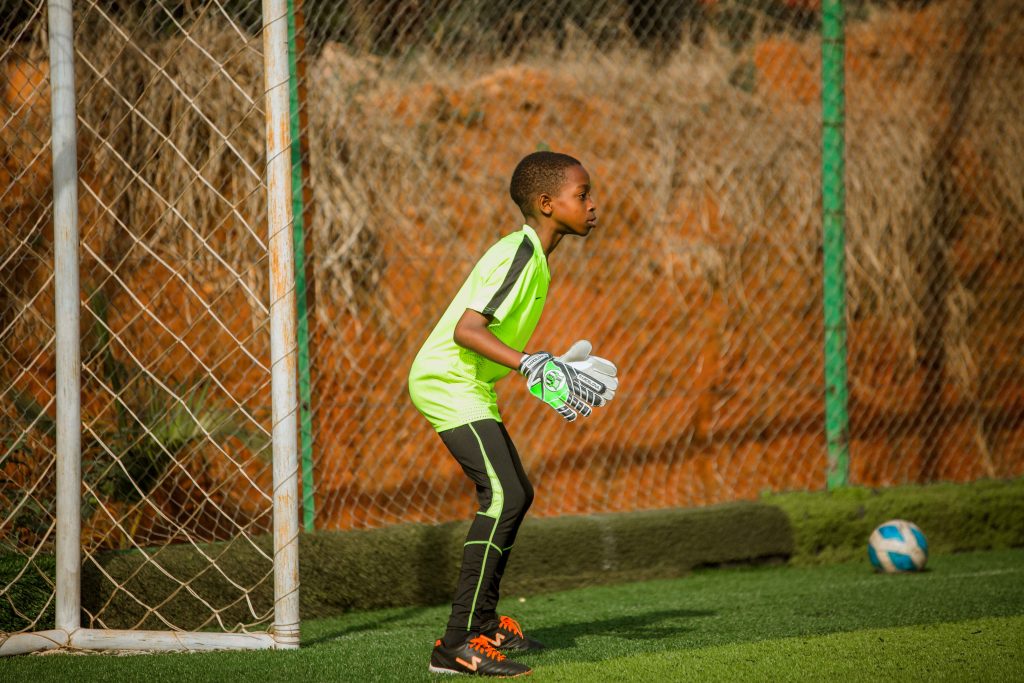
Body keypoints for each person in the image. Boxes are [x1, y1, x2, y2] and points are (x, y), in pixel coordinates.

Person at [408, 151, 619, 677]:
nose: (593, 205)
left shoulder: (536, 258)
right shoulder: (519, 254)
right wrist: (529, 363)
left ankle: (483, 626)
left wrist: (538, 364)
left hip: (469, 382)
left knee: (516, 494)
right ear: (547, 204)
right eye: (582, 195)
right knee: (503, 495)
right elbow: (467, 331)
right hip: (447, 380)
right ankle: (456, 644)